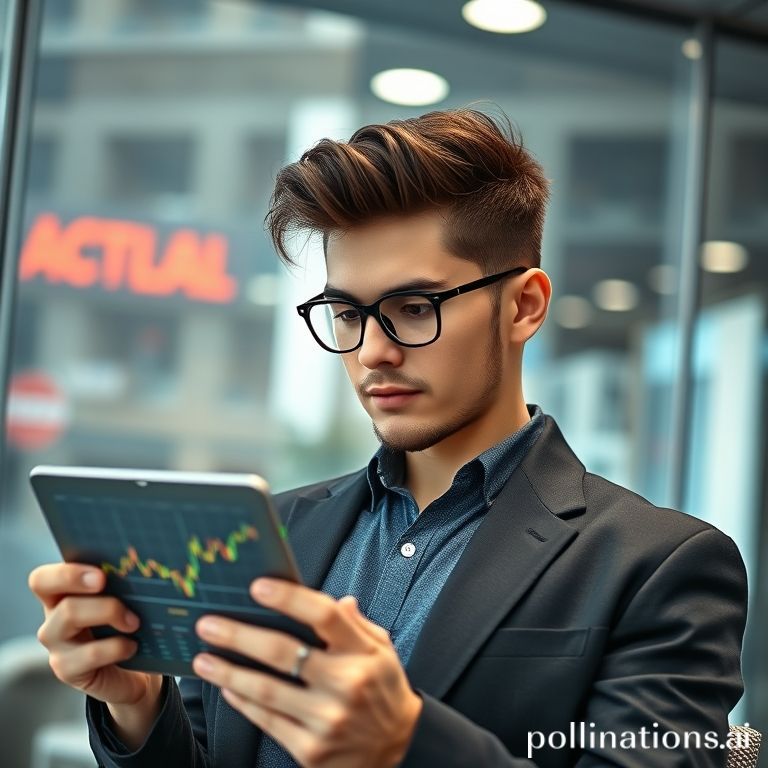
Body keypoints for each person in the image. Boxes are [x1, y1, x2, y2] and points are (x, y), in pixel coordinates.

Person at [29, 108, 747, 767]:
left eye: (413, 306)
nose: (371, 350)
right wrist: (136, 705)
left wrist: (407, 741)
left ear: (524, 306)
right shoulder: (275, 530)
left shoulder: (658, 567)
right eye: (345, 313)